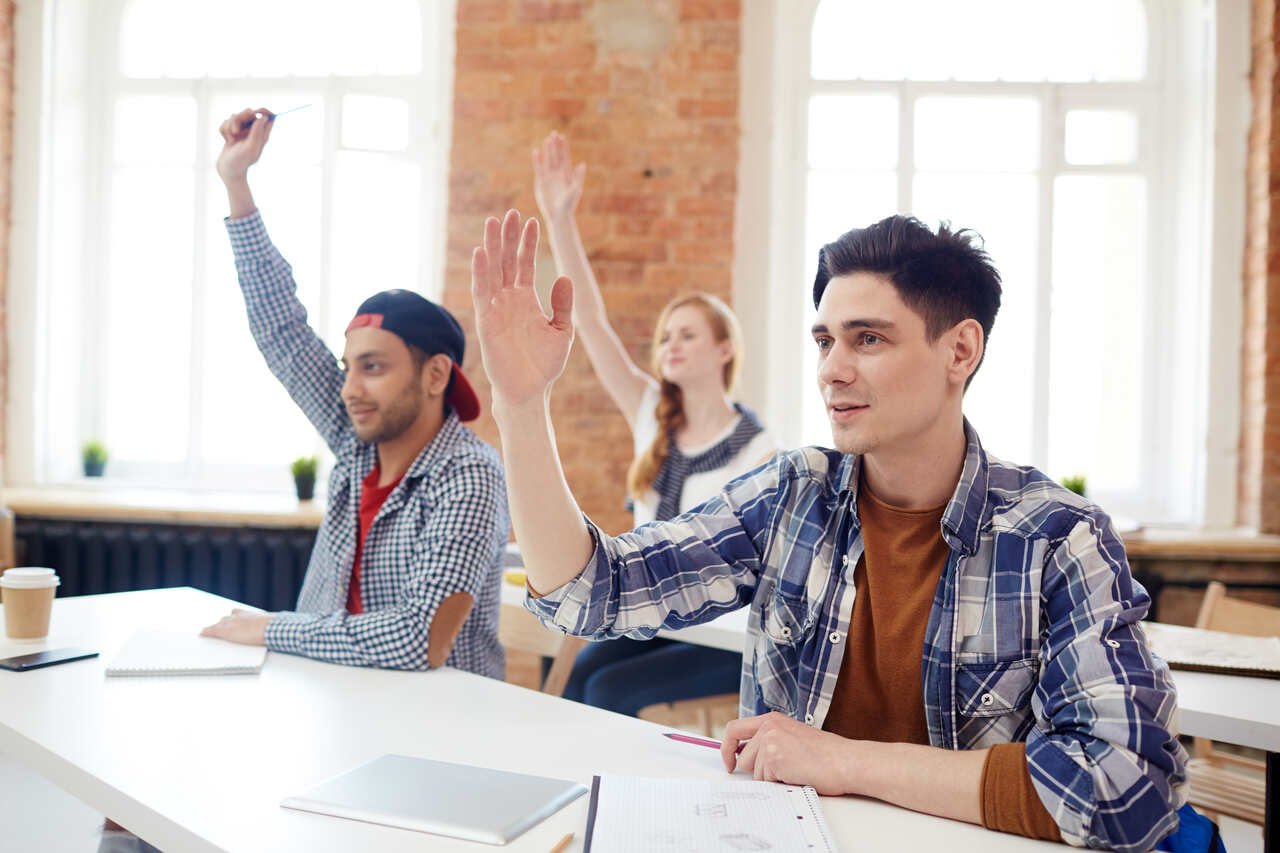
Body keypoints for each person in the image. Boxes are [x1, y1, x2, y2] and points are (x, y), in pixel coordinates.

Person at [467, 209, 1189, 851]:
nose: (832, 371)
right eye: (824, 341)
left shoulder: (1058, 535)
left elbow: (1128, 788)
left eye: (867, 338)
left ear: (960, 351)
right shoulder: (794, 492)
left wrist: (841, 759)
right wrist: (521, 406)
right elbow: (590, 591)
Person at [199, 108, 508, 676]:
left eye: (372, 367)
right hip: (332, 697)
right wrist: (235, 181)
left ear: (436, 376)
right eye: (348, 368)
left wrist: (271, 627)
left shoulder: (470, 474)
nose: (349, 389)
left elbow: (422, 641)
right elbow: (282, 331)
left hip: (437, 729)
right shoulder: (358, 443)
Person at [531, 131, 779, 715]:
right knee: (570, 678)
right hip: (649, 616)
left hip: (721, 634)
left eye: (688, 334)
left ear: (724, 350)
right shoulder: (651, 416)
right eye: (666, 336)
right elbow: (590, 322)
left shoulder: (757, 446)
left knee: (608, 691)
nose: (671, 345)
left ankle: (625, 800)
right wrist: (559, 218)